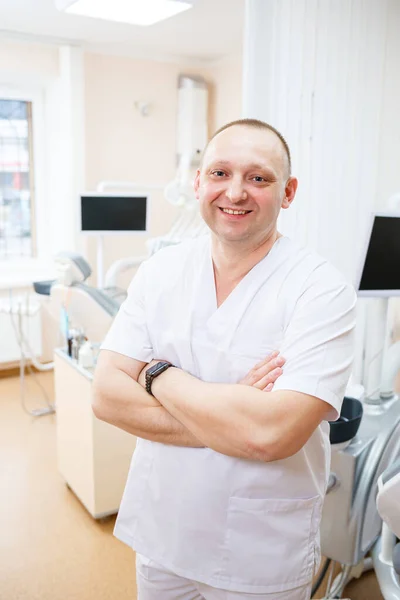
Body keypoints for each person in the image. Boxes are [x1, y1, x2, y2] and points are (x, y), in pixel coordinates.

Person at [92, 118, 356, 600]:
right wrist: (233, 413)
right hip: (163, 531)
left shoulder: (320, 290)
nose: (235, 192)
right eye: (219, 173)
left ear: (288, 191)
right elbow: (107, 396)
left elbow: (272, 434)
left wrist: (158, 376)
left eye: (259, 178)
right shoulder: (161, 271)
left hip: (258, 552)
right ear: (198, 182)